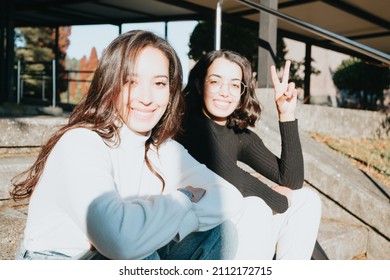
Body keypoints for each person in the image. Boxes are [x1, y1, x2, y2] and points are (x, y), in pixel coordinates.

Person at [10, 31, 245, 260]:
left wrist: (162, 223)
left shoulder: (162, 149)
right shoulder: (81, 142)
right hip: (57, 261)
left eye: (159, 83)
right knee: (139, 254)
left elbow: (229, 198)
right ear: (111, 84)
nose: (146, 97)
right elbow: (122, 243)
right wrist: (182, 197)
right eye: (131, 81)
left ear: (171, 91)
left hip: (121, 253)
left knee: (220, 234)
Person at [176, 49, 323, 260]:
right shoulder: (188, 124)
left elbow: (291, 180)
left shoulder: (239, 134)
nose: (225, 92)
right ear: (200, 85)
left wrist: (287, 114)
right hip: (201, 235)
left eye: (235, 84)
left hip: (236, 226)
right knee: (256, 207)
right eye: (216, 82)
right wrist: (278, 200)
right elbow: (231, 176)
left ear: (242, 91)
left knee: (307, 199)